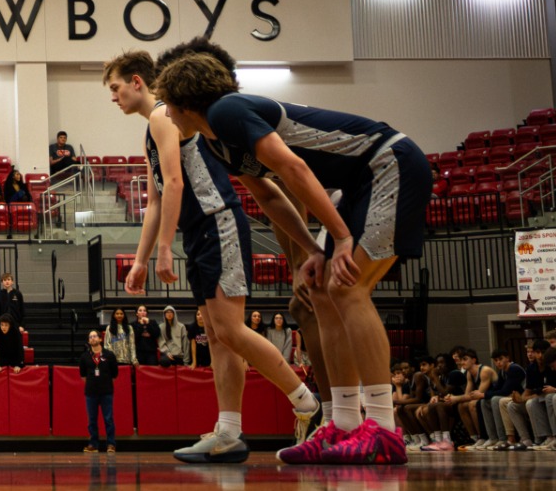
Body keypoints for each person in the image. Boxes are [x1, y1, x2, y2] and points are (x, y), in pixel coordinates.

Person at [157, 48, 432, 465]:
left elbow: (295, 169)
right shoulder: (215, 142)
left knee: (347, 287)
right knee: (321, 291)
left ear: (183, 102)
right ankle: (342, 424)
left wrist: (339, 239)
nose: (167, 115)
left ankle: (384, 428)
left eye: (169, 106)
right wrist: (309, 249)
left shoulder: (228, 111)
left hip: (388, 163)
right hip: (357, 182)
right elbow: (269, 193)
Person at [81, 330, 119, 453]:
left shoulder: (109, 355)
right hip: (91, 393)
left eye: (95, 336)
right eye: (90, 337)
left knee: (108, 419)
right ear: (88, 341)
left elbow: (115, 373)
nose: (92, 338)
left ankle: (111, 444)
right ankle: (93, 444)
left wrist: (105, 383)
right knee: (92, 420)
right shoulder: (85, 356)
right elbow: (83, 376)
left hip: (106, 392)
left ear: (100, 339)